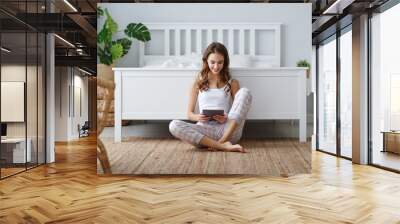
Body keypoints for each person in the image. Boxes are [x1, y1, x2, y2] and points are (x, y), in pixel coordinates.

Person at [169, 42, 252, 153]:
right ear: (206, 61)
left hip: (227, 131)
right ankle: (223, 146)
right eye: (212, 62)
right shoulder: (198, 83)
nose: (216, 66)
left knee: (245, 92)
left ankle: (222, 142)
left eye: (220, 62)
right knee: (174, 125)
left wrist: (226, 117)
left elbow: (237, 109)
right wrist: (199, 117)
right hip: (205, 132)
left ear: (225, 62)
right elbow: (189, 114)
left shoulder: (232, 83)